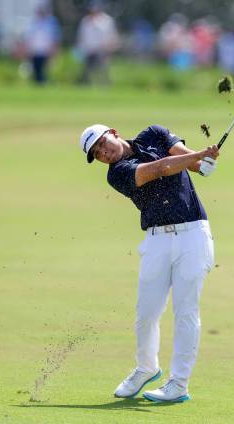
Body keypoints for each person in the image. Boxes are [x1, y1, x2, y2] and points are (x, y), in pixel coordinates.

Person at [78, 123, 218, 402]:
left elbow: (190, 161)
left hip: (193, 234)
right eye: (96, 153)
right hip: (157, 240)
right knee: (146, 313)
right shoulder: (116, 174)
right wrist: (201, 155)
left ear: (114, 133)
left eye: (103, 143)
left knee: (186, 311)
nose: (103, 152)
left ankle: (178, 384)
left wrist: (204, 160)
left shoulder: (153, 134)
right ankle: (146, 368)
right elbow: (160, 169)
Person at [76, 1, 120, 85]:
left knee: (103, 71)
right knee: (87, 72)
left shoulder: (107, 21)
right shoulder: (85, 21)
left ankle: (105, 87)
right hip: (88, 51)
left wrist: (110, 49)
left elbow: (112, 36)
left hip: (102, 51)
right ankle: (86, 86)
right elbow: (81, 37)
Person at [25, 4, 60, 85]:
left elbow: (54, 39)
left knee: (43, 71)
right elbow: (30, 38)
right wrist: (28, 50)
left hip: (45, 52)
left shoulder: (50, 23)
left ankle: (43, 84)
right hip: (35, 51)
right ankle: (38, 85)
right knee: (36, 71)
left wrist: (54, 51)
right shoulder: (34, 23)